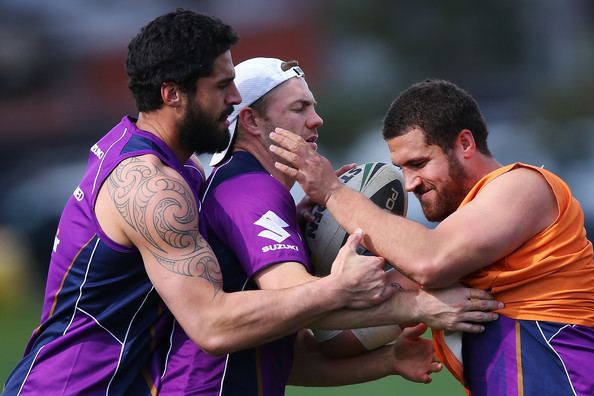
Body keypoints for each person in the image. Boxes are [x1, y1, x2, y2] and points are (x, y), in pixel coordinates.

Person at [2, 11, 401, 395]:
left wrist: (295, 221)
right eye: (221, 86)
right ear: (173, 93)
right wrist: (341, 289)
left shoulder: (176, 166)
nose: (234, 98)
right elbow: (213, 326)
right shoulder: (151, 186)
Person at [159, 59, 503, 395]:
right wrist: (419, 306)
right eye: (299, 109)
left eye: (313, 107)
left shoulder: (256, 189)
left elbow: (291, 360)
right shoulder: (250, 190)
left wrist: (388, 361)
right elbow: (300, 297)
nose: (316, 120)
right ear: (251, 120)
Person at [269, 78, 594, 395]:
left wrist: (333, 192)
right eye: (402, 168)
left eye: (419, 163)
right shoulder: (456, 255)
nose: (410, 183)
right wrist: (302, 250)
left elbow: (430, 260)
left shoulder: (522, 185)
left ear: (465, 144)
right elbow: (336, 339)